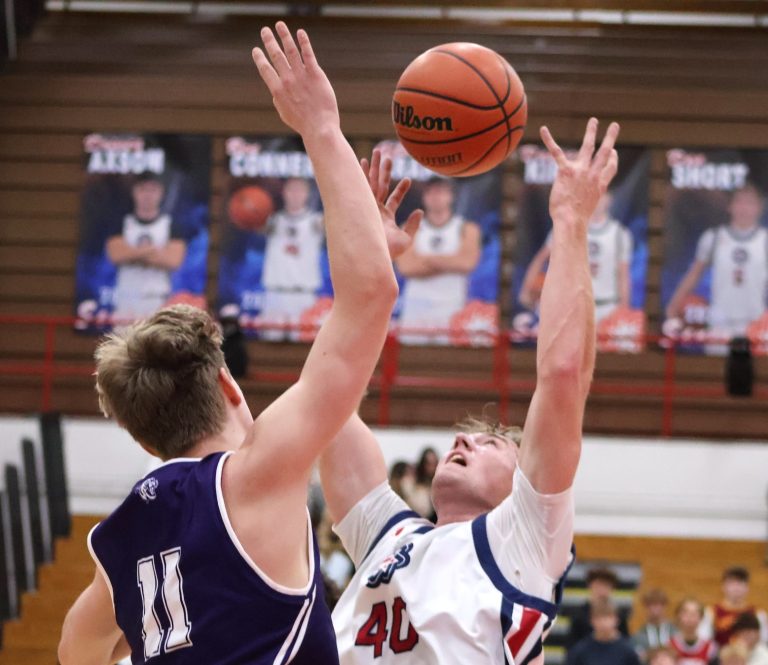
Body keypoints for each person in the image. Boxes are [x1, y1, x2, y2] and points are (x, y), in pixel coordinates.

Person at [58, 23, 419, 665]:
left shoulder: (114, 546)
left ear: (144, 439)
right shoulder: (257, 474)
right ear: (229, 386)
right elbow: (369, 296)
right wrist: (320, 128)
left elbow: (73, 654)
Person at [319, 117, 621, 663]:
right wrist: (368, 263)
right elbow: (327, 403)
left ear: (524, 481)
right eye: (468, 438)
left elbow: (563, 375)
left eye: (491, 444)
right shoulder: (388, 535)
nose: (463, 441)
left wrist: (571, 221)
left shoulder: (525, 538)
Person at [666, 183, 767, 341]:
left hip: (757, 323)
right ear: (730, 206)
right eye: (739, 201)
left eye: (750, 202)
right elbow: (694, 275)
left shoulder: (765, 240)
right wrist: (674, 306)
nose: (744, 208)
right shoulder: (713, 237)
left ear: (759, 208)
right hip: (720, 323)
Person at [520, 189, 633, 323]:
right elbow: (541, 258)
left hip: (607, 307)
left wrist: (624, 309)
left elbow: (623, 274)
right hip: (571, 307)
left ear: (609, 199)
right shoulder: (567, 227)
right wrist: (527, 288)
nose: (597, 201)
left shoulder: (620, 234)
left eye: (601, 196)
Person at [396, 177, 482, 345]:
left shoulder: (466, 228)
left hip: (451, 306)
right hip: (416, 307)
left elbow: (467, 263)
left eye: (441, 191)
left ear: (451, 196)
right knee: (409, 357)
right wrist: (450, 261)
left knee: (450, 358)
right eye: (431, 192)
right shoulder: (410, 227)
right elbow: (406, 267)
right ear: (424, 197)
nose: (436, 196)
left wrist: (425, 260)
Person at [107, 171, 187, 323]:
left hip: (158, 299)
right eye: (143, 189)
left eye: (152, 190)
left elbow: (173, 261)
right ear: (134, 192)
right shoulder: (121, 223)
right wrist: (152, 251)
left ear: (161, 193)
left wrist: (132, 254)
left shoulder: (172, 225)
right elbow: (116, 255)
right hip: (126, 298)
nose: (147, 195)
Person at [260, 177, 325, 341]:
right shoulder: (272, 220)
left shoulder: (316, 221)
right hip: (275, 293)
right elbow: (254, 225)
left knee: (305, 345)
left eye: (299, 190)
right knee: (269, 343)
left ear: (307, 194)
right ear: (284, 193)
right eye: (291, 190)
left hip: (304, 295)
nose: (295, 195)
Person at [700, 566, 768, 648]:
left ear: (747, 587)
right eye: (732, 584)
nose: (736, 588)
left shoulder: (758, 614)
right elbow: (705, 641)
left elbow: (763, 643)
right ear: (723, 587)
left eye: (740, 583)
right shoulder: (711, 612)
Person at [568, 566, 631, 647]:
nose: (602, 591)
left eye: (606, 586)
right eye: (598, 586)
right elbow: (572, 645)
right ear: (590, 586)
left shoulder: (620, 615)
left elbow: (626, 642)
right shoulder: (579, 615)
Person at [566, 598, 642, 665]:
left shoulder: (628, 652)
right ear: (591, 620)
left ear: (616, 619)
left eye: (608, 617)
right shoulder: (579, 651)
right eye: (599, 618)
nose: (604, 623)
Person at [669, 597, 717, 665]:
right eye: (686, 613)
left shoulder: (710, 648)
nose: (690, 618)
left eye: (694, 614)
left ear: (701, 618)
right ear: (678, 616)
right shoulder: (669, 645)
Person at [633, 588, 675, 661]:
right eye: (651, 605)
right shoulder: (639, 635)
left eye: (659, 604)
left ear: (665, 606)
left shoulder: (675, 631)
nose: (655, 608)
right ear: (646, 608)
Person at [409, 447, 438, 519]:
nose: (432, 468)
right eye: (429, 464)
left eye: (434, 464)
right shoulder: (416, 486)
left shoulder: (440, 484)